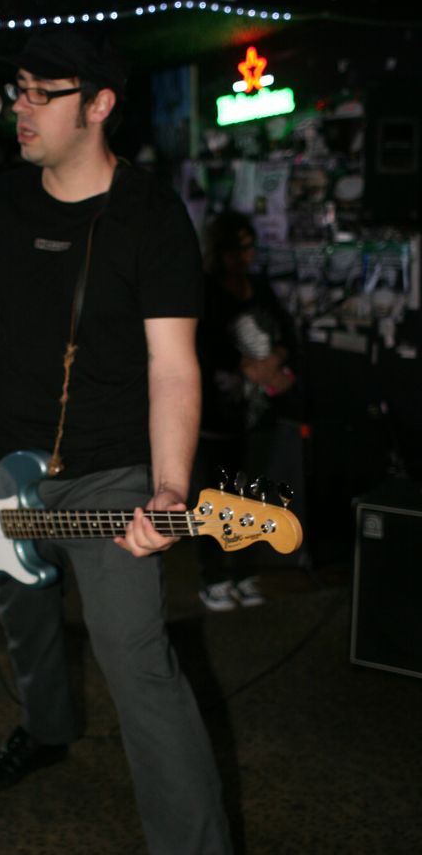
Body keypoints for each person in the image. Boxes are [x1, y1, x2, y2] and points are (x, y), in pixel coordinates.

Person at [0, 28, 240, 855]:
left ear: (99, 104)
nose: (22, 108)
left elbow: (172, 366)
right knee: (24, 625)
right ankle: (46, 731)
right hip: (3, 469)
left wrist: (170, 489)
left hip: (112, 473)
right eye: (19, 90)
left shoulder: (152, 215)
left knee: (140, 669)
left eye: (44, 93)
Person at [195, 210, 298, 611]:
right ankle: (213, 575)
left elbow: (286, 331)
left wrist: (277, 362)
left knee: (253, 492)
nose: (246, 256)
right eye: (238, 249)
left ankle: (242, 571)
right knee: (216, 494)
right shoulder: (206, 290)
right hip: (219, 413)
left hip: (258, 411)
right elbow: (203, 345)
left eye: (250, 247)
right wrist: (245, 365)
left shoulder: (259, 287)